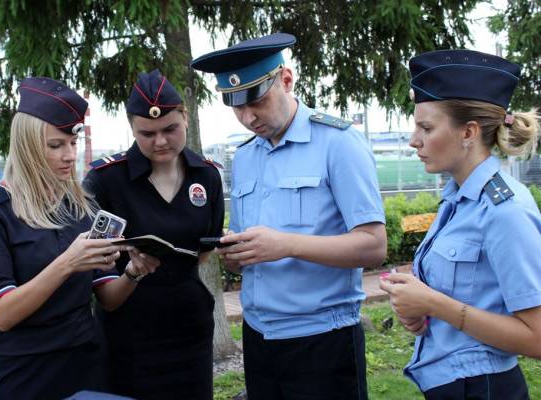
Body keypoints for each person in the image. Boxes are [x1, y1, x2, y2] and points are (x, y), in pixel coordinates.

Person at [191, 33, 387, 400]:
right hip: (259, 336)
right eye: (236, 107)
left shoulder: (338, 142)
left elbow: (374, 246)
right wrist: (237, 255)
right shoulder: (248, 156)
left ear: (286, 79)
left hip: (322, 341)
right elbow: (252, 248)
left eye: (258, 101)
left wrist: (285, 245)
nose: (249, 117)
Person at [0, 77, 148, 400]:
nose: (69, 155)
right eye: (56, 145)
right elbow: (3, 315)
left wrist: (134, 272)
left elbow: (108, 298)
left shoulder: (81, 207)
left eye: (73, 143)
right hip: (24, 373)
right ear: (27, 146)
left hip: (85, 365)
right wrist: (67, 263)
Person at [379, 49, 541, 399]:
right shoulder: (458, 200)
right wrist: (416, 306)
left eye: (426, 127)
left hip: (482, 388)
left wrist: (435, 304)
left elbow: (537, 336)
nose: (413, 140)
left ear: (468, 132)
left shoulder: (504, 209)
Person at [83, 69, 225, 400]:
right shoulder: (106, 179)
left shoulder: (206, 176)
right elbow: (94, 264)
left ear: (185, 116)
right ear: (131, 128)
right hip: (129, 333)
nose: (160, 141)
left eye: (169, 129)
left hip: (189, 328)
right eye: (146, 133)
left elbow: (204, 250)